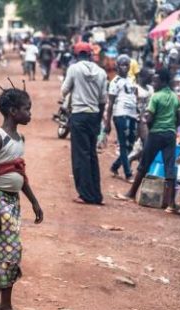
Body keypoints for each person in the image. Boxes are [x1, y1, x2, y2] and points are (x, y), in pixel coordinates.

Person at [0, 87, 43, 310]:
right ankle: (5, 307)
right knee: (11, 252)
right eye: (27, 109)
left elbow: (20, 174)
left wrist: (34, 201)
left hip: (13, 202)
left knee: (1, 253)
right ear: (13, 111)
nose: (30, 114)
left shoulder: (20, 139)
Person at [116, 69, 180, 213]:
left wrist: (149, 125)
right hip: (170, 135)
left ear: (162, 82)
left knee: (144, 164)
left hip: (156, 134)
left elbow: (149, 117)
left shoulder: (156, 97)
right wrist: (171, 127)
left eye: (155, 81)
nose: (153, 83)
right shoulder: (175, 97)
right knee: (169, 167)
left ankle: (131, 193)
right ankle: (171, 204)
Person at [61, 42, 108, 205]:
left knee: (81, 156)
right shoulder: (101, 72)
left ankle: (85, 194)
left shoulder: (74, 69)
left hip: (79, 116)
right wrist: (99, 119)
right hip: (94, 116)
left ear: (76, 55)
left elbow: (64, 90)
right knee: (92, 155)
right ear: (90, 55)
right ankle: (96, 194)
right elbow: (103, 100)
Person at [104, 55, 138, 183]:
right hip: (120, 114)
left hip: (132, 114)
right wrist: (107, 122)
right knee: (123, 144)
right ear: (117, 66)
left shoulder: (131, 80)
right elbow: (110, 103)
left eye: (127, 65)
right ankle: (128, 173)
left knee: (131, 144)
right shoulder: (114, 82)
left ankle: (115, 166)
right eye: (122, 65)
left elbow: (135, 97)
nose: (125, 67)